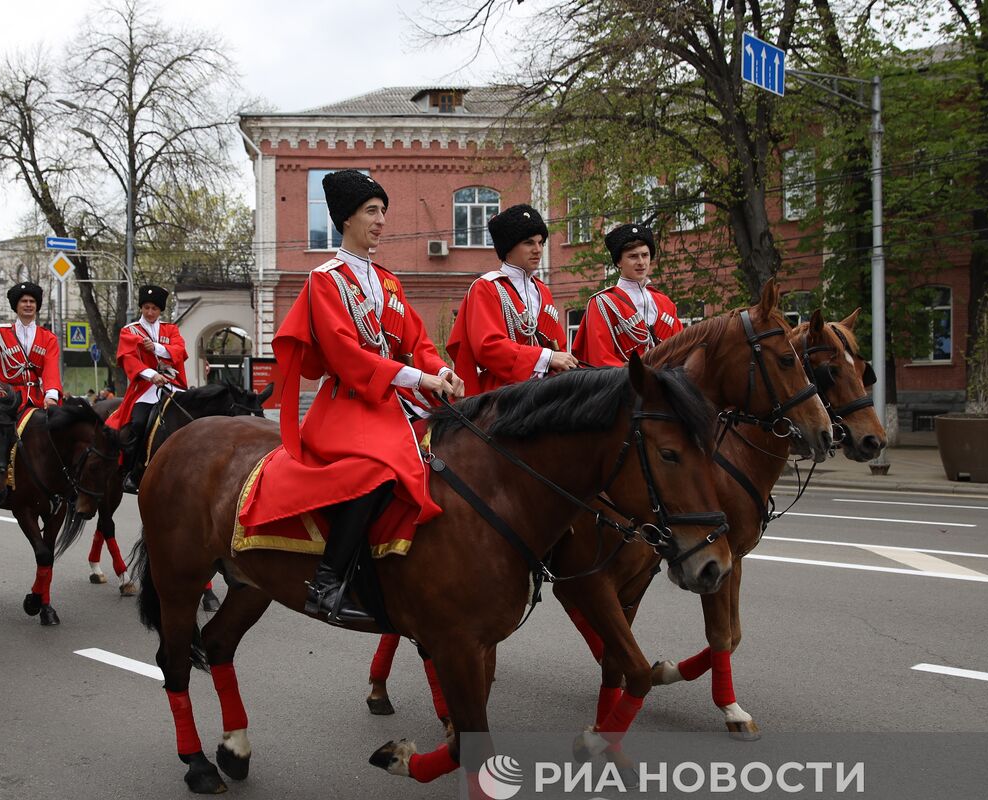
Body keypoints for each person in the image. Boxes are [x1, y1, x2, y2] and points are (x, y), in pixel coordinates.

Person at [239, 169, 462, 625]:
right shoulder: (325, 280)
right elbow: (344, 356)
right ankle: (328, 581)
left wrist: (440, 370)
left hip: (392, 405)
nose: (381, 221)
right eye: (371, 212)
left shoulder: (390, 282)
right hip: (346, 407)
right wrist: (419, 379)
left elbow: (415, 341)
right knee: (375, 472)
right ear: (347, 218)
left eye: (382, 212)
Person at [446, 203, 575, 394]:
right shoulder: (487, 287)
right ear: (508, 248)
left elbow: (558, 347)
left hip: (546, 389)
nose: (538, 250)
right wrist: (546, 357)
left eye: (541, 243)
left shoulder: (542, 290)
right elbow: (489, 347)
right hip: (502, 394)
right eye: (529, 243)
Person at [106, 284, 187, 493]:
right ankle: (132, 471)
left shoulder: (171, 329)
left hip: (172, 384)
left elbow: (179, 350)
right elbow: (128, 359)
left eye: (154, 309)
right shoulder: (129, 330)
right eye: (147, 308)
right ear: (142, 307)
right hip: (145, 387)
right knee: (139, 422)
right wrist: (152, 375)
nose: (150, 312)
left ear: (161, 310)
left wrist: (158, 348)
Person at [572, 222, 683, 366]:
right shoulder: (603, 304)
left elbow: (681, 350)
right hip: (623, 385)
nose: (641, 262)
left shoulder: (665, 304)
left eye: (645, 255)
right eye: (633, 256)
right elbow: (600, 360)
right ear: (618, 261)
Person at [0, 281, 63, 408]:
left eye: (32, 301)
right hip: (5, 399)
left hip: (37, 399)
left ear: (37, 305)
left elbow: (51, 369)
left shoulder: (48, 338)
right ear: (16, 305)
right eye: (24, 301)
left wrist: (51, 396)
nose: (28, 304)